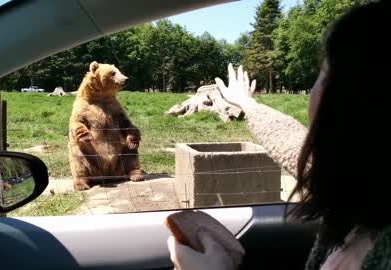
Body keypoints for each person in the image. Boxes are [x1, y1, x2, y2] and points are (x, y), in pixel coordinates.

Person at [167, 1, 391, 269]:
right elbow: (289, 141)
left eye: (324, 73)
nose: (313, 88)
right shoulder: (359, 180)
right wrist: (247, 104)